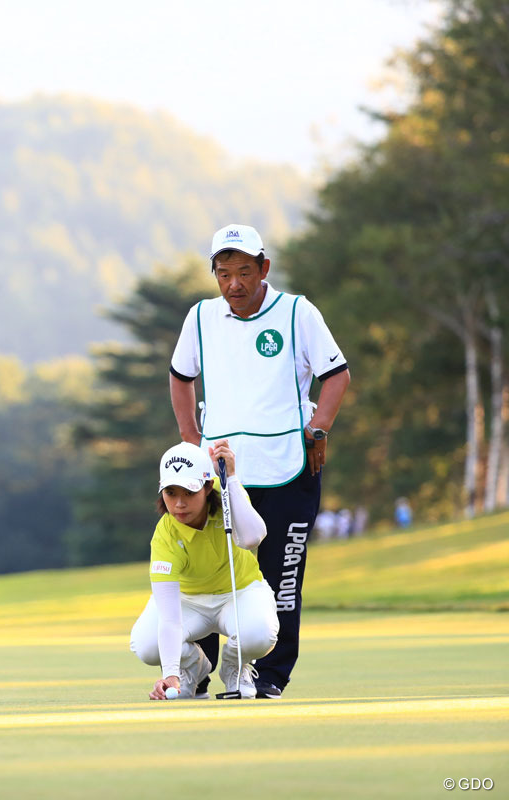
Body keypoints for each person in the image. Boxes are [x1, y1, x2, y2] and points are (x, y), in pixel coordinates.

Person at [169, 223, 351, 699]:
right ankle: (201, 671)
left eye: (244, 271)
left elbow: (336, 375)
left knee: (280, 579)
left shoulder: (296, 312)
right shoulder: (202, 318)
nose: (234, 283)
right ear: (214, 274)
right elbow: (181, 376)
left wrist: (320, 427)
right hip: (220, 472)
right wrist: (191, 438)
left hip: (288, 467)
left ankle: (268, 676)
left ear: (263, 268)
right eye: (224, 272)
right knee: (208, 576)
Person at [130, 440, 279, 700]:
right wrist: (171, 673)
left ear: (208, 486)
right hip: (187, 603)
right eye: (171, 493)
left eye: (189, 492)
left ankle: (235, 667)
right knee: (147, 646)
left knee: (259, 634)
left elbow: (253, 538)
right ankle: (193, 670)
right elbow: (169, 618)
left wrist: (231, 478)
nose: (179, 504)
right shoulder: (165, 535)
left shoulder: (227, 494)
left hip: (240, 592)